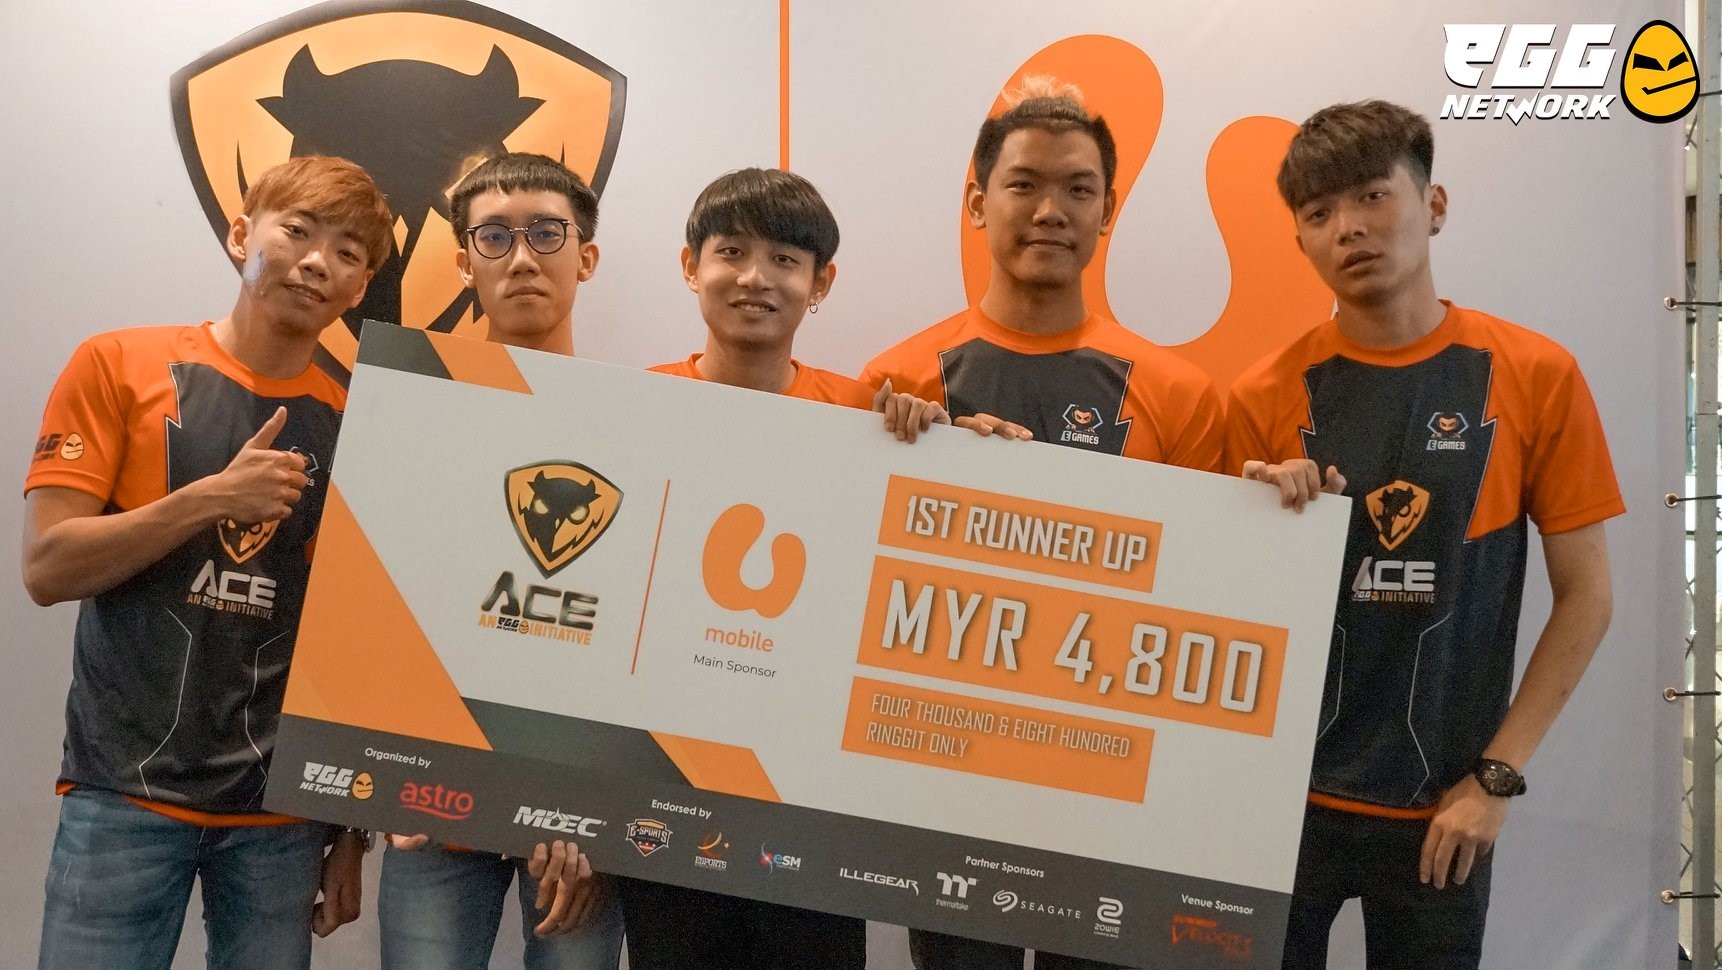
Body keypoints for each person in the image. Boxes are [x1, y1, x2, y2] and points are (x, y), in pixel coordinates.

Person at [1224, 100, 1620, 969]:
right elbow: (1216, 617)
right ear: (1300, 240)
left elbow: (1589, 596)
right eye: (1319, 213)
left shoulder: (1534, 374)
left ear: (1433, 205)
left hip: (1447, 809)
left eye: (1373, 196)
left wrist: (1495, 779)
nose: (1349, 228)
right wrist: (1256, 525)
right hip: (1275, 811)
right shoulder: (1260, 397)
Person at [860, 80, 1225, 970]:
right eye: (1024, 185)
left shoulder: (1181, 396)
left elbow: (1208, 614)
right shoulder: (898, 388)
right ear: (978, 202)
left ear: (1109, 211)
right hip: (948, 796)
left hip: (1110, 801)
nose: (1051, 210)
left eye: (1078, 189)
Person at [24, 155, 393, 970]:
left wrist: (349, 831)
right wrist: (210, 498)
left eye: (346, 253)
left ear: (360, 286)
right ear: (240, 234)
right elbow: (47, 567)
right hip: (123, 794)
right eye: (297, 231)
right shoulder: (118, 364)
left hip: (279, 819)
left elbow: (351, 649)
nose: (316, 262)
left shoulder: (361, 420)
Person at [623, 165, 949, 969]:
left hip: (812, 803)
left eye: (784, 259)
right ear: (690, 265)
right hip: (664, 788)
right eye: (731, 252)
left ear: (820, 282)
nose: (754, 278)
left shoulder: (867, 419)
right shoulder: (630, 409)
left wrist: (953, 449)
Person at [376, 152, 625, 970]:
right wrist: (381, 774)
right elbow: (381, 609)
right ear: (464, 261)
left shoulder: (643, 427)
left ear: (586, 256)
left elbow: (640, 641)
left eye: (547, 234)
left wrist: (602, 818)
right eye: (494, 237)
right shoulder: (413, 413)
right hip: (430, 806)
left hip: (579, 828)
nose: (522, 258)